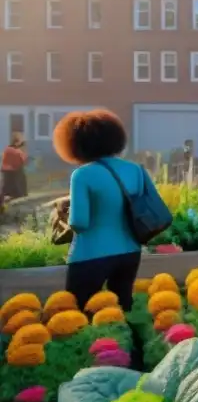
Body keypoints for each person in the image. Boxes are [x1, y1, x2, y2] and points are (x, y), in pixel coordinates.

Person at [54, 110, 157, 309]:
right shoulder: (134, 169)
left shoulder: (82, 175)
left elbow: (80, 223)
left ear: (75, 143)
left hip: (90, 254)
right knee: (122, 308)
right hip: (130, 252)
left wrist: (62, 216)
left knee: (78, 311)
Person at [1, 132, 29, 204]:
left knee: (5, 191)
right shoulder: (17, 152)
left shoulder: (6, 150)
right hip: (15, 173)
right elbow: (24, 161)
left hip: (6, 173)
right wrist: (24, 150)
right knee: (19, 191)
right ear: (17, 142)